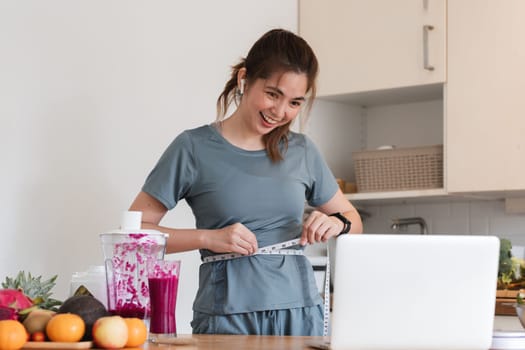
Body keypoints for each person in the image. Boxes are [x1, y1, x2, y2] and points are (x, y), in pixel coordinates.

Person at [129, 28, 363, 336]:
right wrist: (209, 238)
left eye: (295, 102)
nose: (280, 112)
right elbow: (133, 237)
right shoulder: (192, 148)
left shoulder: (302, 150)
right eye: (272, 94)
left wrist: (336, 224)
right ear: (244, 79)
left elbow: (354, 221)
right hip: (226, 317)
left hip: (301, 315)